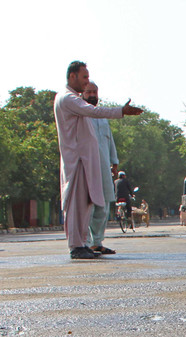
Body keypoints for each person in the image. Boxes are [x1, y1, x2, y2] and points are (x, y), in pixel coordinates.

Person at [55, 60, 141, 259]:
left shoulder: (74, 99)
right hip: (77, 161)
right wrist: (121, 111)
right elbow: (93, 111)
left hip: (87, 162)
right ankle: (76, 246)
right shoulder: (68, 98)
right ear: (72, 76)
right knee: (77, 204)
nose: (87, 83)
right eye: (84, 77)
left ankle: (86, 244)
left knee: (88, 204)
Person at [81, 81, 119, 255]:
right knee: (88, 205)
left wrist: (115, 162)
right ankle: (86, 243)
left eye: (95, 92)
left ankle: (97, 242)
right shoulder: (80, 114)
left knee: (103, 205)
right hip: (86, 167)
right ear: (82, 93)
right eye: (89, 92)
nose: (92, 95)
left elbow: (109, 140)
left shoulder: (102, 116)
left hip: (104, 166)